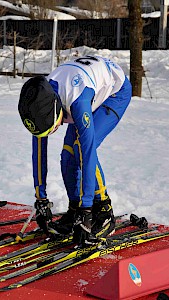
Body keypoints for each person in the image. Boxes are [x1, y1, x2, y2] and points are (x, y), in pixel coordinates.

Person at [18, 55, 132, 247]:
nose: (53, 132)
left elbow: (88, 154)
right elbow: (39, 153)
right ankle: (74, 208)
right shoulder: (39, 103)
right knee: (68, 155)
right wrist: (41, 199)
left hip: (114, 93)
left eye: (54, 128)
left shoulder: (76, 101)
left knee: (80, 149)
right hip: (84, 88)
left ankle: (104, 211)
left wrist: (87, 211)